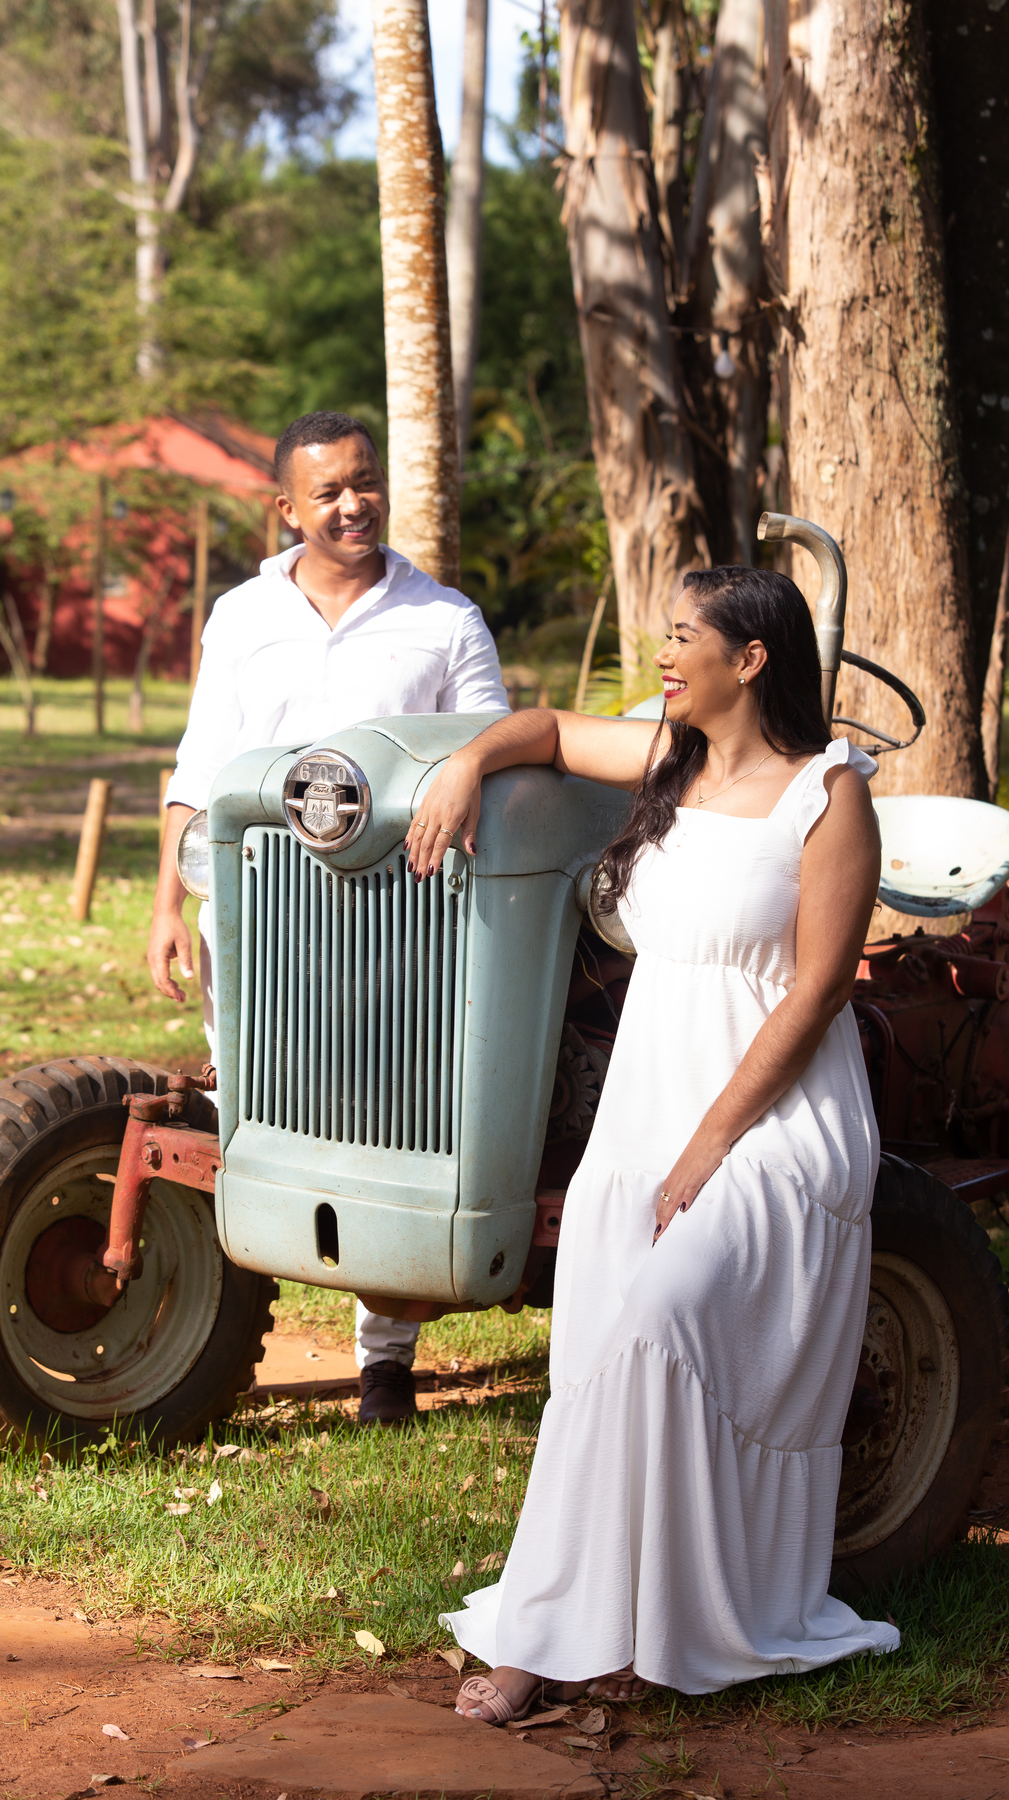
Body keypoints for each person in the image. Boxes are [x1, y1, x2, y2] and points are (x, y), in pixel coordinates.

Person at [406, 565, 900, 1706]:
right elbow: (540, 727)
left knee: (663, 1320)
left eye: (685, 638)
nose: (665, 657)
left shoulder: (827, 794)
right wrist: (467, 763)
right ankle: (567, 1629)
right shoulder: (668, 758)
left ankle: (655, 1623)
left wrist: (709, 1147)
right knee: (601, 1352)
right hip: (645, 1107)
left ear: (752, 659)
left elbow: (819, 990)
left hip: (776, 1122)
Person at [148, 410, 509, 1426]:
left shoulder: (445, 619)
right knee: (252, 1105)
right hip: (253, 908)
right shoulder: (241, 616)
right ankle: (214, 1334)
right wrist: (168, 903)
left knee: (382, 1116)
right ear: (287, 509)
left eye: (365, 482)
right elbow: (200, 765)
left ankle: (385, 1360)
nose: (354, 505)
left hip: (396, 919)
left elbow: (496, 753)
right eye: (329, 492)